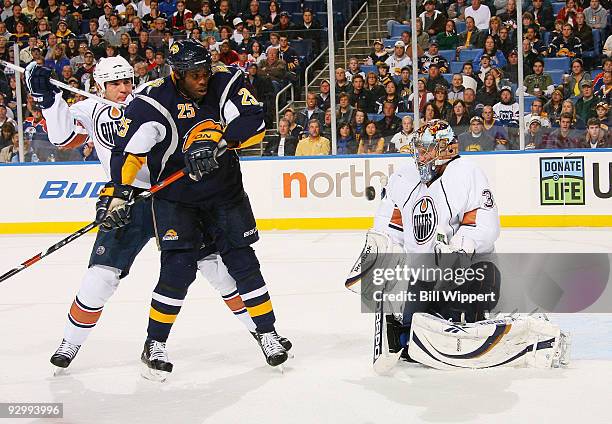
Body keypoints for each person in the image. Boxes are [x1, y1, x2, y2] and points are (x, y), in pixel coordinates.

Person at [93, 40, 291, 379]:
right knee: (178, 271)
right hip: (176, 199)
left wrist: (219, 142)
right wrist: (118, 194)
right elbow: (129, 153)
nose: (203, 79)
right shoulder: (150, 101)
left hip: (224, 193)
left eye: (206, 71)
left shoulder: (226, 80)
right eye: (195, 75)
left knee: (243, 262)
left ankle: (267, 332)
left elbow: (254, 123)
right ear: (177, 73)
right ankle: (154, 343)